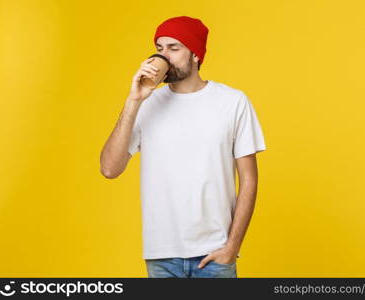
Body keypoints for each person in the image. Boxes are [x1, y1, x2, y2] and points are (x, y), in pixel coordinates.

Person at [100, 16, 266, 278]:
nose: (163, 56)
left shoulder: (233, 102)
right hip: (162, 256)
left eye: (174, 48)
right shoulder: (147, 104)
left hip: (215, 254)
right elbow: (109, 169)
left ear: (196, 55)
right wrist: (134, 101)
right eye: (159, 48)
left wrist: (232, 247)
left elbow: (249, 181)